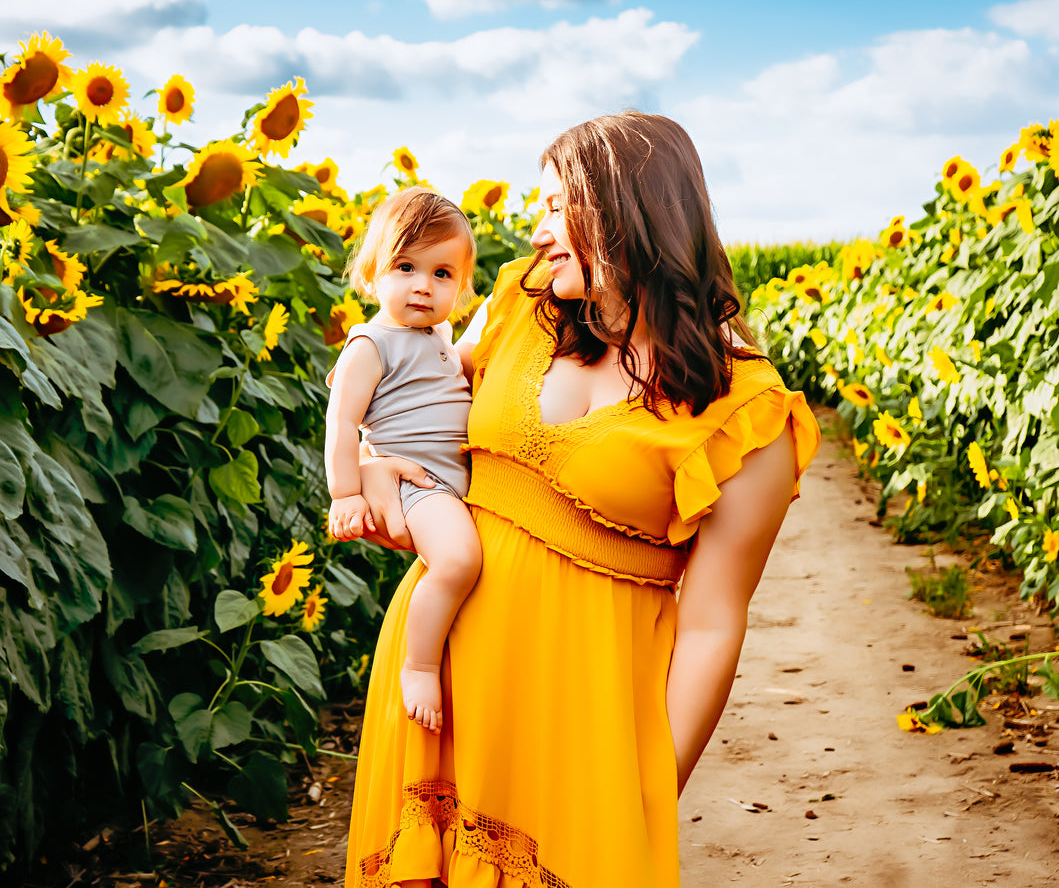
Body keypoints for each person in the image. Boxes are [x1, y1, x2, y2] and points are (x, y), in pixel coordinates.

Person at [344, 112, 822, 888]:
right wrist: (377, 472)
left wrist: (648, 788)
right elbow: (412, 404)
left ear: (627, 210)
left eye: (555, 206)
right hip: (439, 681)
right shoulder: (519, 303)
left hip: (581, 716)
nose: (537, 233)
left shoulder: (746, 410)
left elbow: (711, 624)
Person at [325, 186, 483, 735]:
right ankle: (419, 667)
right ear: (372, 273)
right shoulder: (370, 345)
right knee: (457, 562)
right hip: (419, 483)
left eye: (442, 274)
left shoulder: (440, 334)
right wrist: (346, 493)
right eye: (406, 266)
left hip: (452, 482)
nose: (423, 285)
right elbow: (342, 423)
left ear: (460, 287)